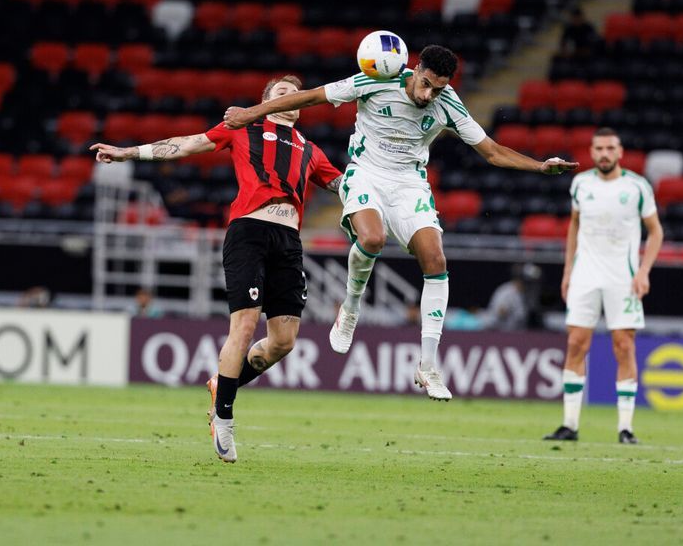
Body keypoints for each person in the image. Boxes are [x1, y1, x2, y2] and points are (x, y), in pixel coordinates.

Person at [224, 44, 578, 401]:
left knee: (436, 260)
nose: (428, 95)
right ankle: (350, 307)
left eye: (437, 89)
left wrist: (540, 166)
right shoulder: (377, 79)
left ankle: (428, 366)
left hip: (409, 182)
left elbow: (492, 151)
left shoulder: (448, 103)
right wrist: (251, 113)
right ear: (416, 68)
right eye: (425, 84)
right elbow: (313, 97)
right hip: (365, 173)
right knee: (372, 239)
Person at [90, 75, 342, 463]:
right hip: (249, 232)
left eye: (295, 93)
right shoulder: (245, 128)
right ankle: (223, 418)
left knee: (284, 342)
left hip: (289, 242)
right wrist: (128, 153)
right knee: (243, 326)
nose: (289, 96)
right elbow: (187, 144)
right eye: (280, 92)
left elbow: (343, 187)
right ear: (265, 102)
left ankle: (221, 384)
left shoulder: (312, 151)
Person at [544, 127, 663, 445]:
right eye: (599, 148)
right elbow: (574, 225)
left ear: (620, 152)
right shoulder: (580, 183)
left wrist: (644, 271)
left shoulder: (637, 187)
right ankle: (569, 424)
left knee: (623, 346)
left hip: (622, 278)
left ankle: (626, 428)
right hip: (585, 275)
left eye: (610, 148)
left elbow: (656, 232)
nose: (605, 154)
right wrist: (568, 269)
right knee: (576, 345)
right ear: (592, 152)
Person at [481, 263, 542, 331]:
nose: (531, 285)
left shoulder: (527, 294)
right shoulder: (506, 292)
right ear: (521, 280)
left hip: (517, 334)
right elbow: (499, 315)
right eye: (529, 282)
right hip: (499, 333)